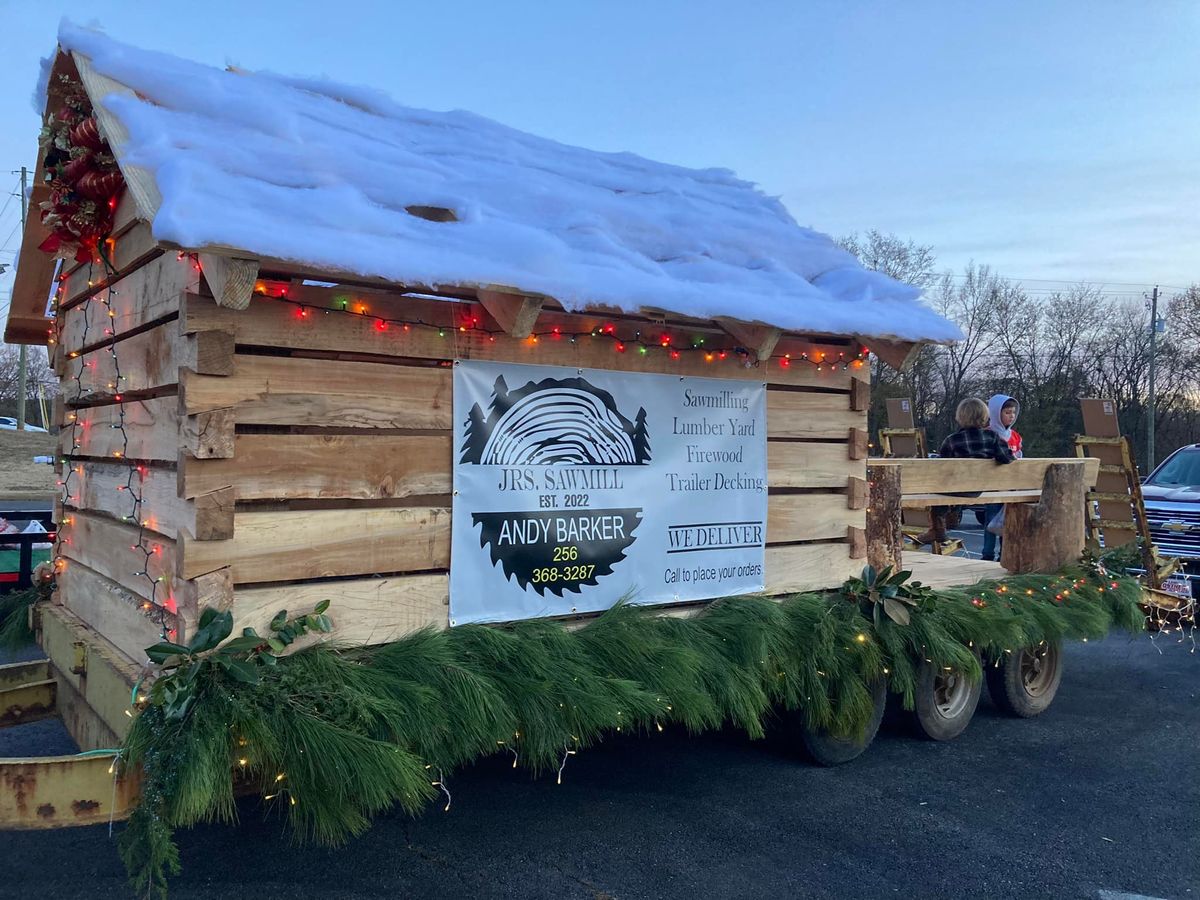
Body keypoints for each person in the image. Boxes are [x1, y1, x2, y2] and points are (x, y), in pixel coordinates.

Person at [917, 397, 1014, 545]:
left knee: (935, 489)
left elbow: (941, 469)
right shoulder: (992, 437)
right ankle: (945, 523)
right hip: (983, 489)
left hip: (957, 489)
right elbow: (1007, 458)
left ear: (960, 417)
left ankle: (938, 529)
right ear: (984, 417)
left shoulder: (952, 440)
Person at [980, 394, 1023, 560]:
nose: (1011, 416)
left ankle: (1004, 553)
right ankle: (987, 553)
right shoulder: (988, 434)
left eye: (1013, 412)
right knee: (991, 521)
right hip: (993, 486)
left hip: (1010, 485)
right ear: (997, 413)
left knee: (1006, 521)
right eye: (1007, 412)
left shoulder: (1015, 436)